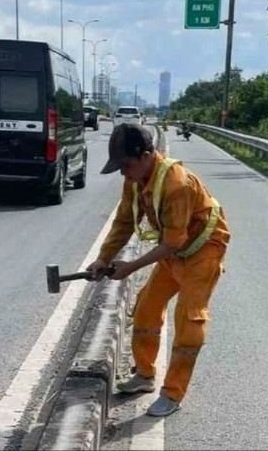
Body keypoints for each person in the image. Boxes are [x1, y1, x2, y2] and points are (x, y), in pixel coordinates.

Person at [88, 123, 230, 417]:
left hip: (202, 251)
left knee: (190, 320)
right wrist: (104, 258)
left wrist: (129, 268)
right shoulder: (134, 180)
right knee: (146, 307)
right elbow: (124, 222)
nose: (123, 173)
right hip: (175, 251)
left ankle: (173, 393)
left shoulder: (176, 184)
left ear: (146, 155)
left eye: (126, 165)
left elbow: (169, 244)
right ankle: (144, 375)